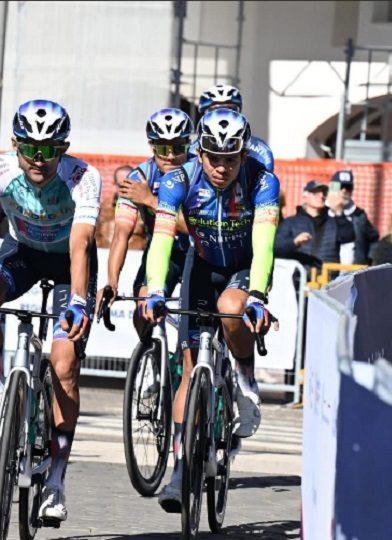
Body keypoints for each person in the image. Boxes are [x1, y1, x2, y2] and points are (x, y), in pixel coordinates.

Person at [0, 99, 101, 524]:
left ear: (64, 148)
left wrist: (78, 301)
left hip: (66, 265)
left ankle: (56, 480)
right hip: (22, 252)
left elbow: (80, 245)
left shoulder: (82, 176)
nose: (39, 159)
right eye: (30, 149)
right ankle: (1, 387)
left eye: (49, 150)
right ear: (15, 144)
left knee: (64, 362)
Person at [143, 109, 280, 513]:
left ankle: (244, 378)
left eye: (231, 159)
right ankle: (181, 471)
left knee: (231, 308)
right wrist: (154, 289)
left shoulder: (262, 181)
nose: (222, 167)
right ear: (198, 152)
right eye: (213, 158)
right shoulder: (177, 181)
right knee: (188, 369)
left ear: (243, 155)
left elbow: (265, 242)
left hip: (243, 267)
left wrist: (258, 293)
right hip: (201, 266)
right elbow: (162, 240)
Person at [98, 108, 194, 336]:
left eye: (178, 148)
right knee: (143, 307)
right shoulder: (138, 178)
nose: (170, 156)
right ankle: (149, 358)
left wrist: (150, 200)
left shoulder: (199, 173)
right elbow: (121, 235)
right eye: (163, 148)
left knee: (196, 321)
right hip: (163, 252)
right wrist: (112, 282)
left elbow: (196, 228)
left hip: (197, 251)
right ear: (152, 146)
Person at [274, 180, 355, 275]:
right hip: (298, 282)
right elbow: (275, 248)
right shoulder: (290, 223)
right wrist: (294, 243)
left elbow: (349, 237)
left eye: (324, 193)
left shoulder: (335, 222)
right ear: (305, 196)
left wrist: (338, 211)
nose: (321, 196)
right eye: (315, 192)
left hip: (329, 282)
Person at [192, 84, 274, 172]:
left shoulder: (261, 151)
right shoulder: (190, 150)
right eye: (215, 111)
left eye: (230, 110)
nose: (224, 117)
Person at [328, 170, 379, 265]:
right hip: (326, 271)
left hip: (353, 271)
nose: (344, 191)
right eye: (341, 187)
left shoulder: (359, 215)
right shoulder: (322, 212)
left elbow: (373, 240)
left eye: (348, 187)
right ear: (333, 188)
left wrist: (368, 260)